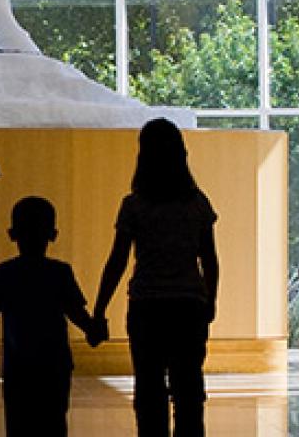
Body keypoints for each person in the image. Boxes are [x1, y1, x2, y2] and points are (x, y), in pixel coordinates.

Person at [90, 119, 219, 437]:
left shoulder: (134, 206)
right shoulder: (198, 204)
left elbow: (117, 261)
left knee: (149, 390)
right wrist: (210, 300)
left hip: (147, 307)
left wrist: (99, 308)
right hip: (189, 306)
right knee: (188, 389)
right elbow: (210, 260)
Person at [0, 195, 98, 437]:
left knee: (18, 424)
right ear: (53, 234)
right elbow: (76, 312)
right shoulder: (60, 272)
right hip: (54, 365)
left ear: (12, 234)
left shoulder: (5, 273)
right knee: (54, 422)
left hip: (19, 366)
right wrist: (93, 328)